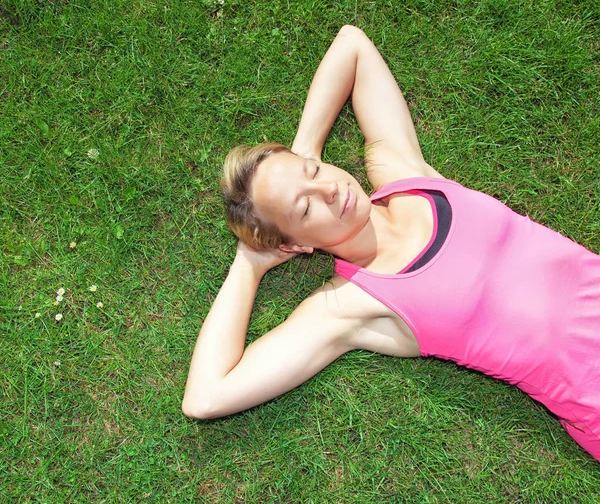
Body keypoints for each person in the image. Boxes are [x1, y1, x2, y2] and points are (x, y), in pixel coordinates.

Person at [182, 25, 600, 461]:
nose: (327, 190)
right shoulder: (348, 307)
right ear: (296, 245)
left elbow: (352, 44)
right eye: (304, 211)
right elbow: (206, 397)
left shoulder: (403, 175)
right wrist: (248, 265)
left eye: (313, 174)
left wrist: (305, 153)